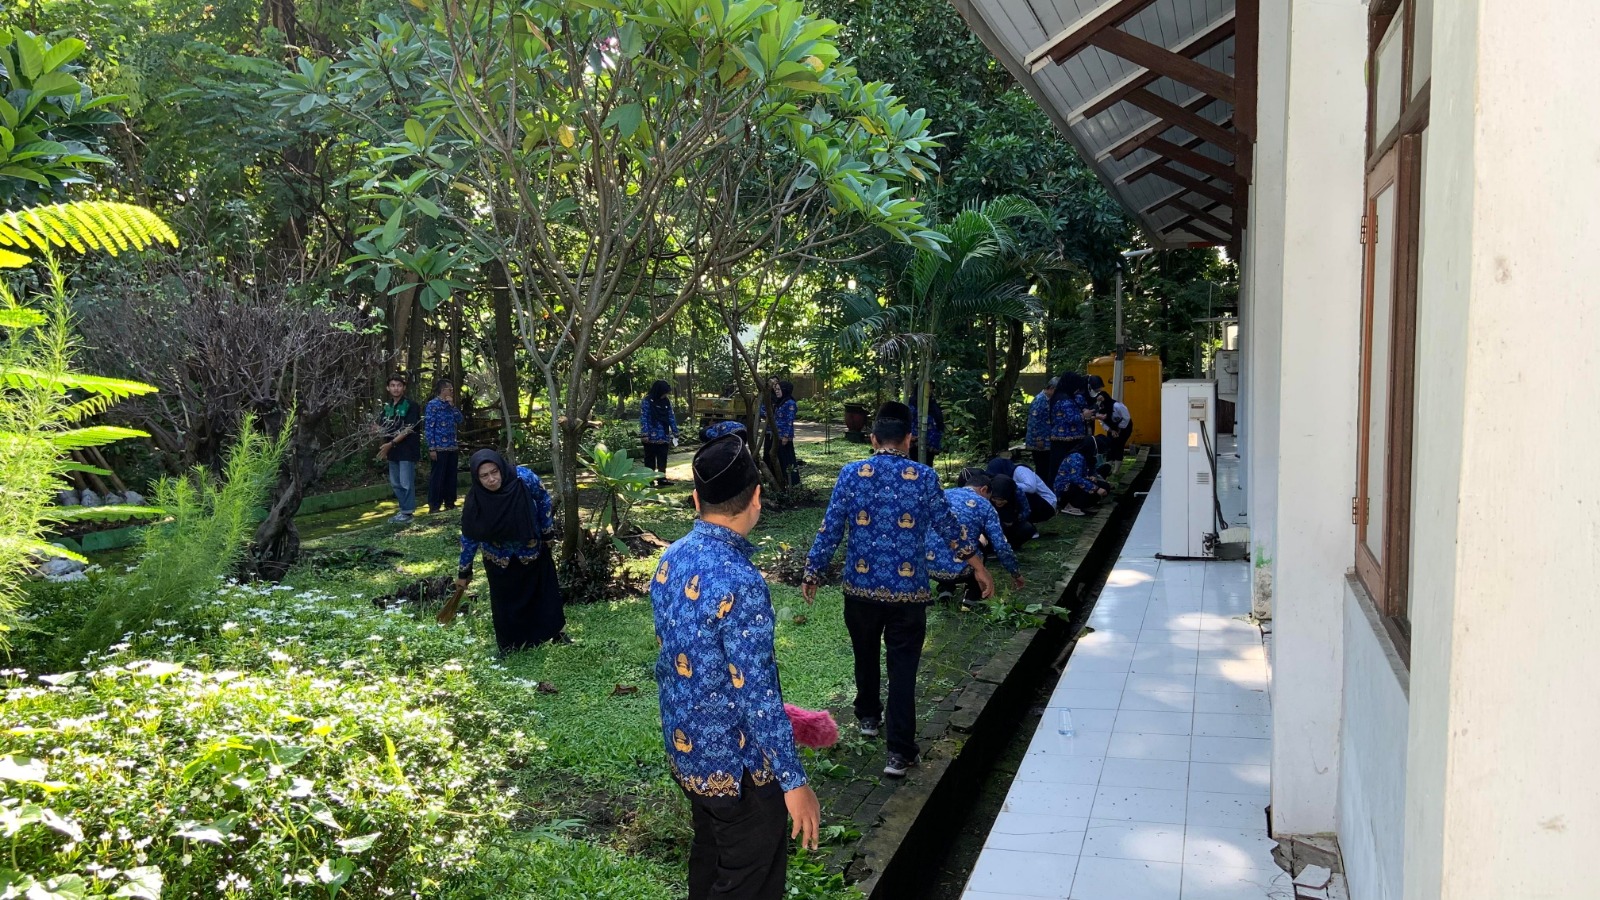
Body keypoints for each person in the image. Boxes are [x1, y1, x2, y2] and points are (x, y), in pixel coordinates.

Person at [651, 435, 820, 899]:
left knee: (710, 858)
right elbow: (757, 692)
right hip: (738, 768)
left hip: (688, 755)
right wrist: (794, 781)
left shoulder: (671, 557)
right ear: (757, 497)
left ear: (696, 499)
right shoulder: (741, 580)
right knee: (748, 880)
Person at [802, 402, 993, 777]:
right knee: (903, 672)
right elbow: (950, 528)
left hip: (860, 590)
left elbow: (831, 528)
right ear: (909, 439)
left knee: (865, 654)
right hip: (909, 594)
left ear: (873, 439)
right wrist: (978, 567)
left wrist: (813, 572)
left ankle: (868, 717)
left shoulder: (851, 474)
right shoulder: (924, 477)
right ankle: (899, 753)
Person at [454, 449, 567, 653]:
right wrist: (464, 571)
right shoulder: (476, 499)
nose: (491, 479)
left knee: (544, 592)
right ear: (476, 478)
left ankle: (556, 633)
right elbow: (469, 536)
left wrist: (547, 531)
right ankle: (510, 645)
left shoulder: (523, 478)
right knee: (505, 601)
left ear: (501, 468)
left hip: (531, 548)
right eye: (484, 476)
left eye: (494, 472)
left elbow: (543, 499)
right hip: (498, 557)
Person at [929, 469, 1023, 605]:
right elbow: (1001, 545)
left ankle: (945, 588)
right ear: (984, 489)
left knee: (942, 540)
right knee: (980, 543)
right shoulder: (984, 505)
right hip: (964, 568)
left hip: (930, 567)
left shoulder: (943, 495)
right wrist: (1015, 572)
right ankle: (972, 594)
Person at [376, 373, 422, 524]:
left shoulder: (411, 405)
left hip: (406, 450)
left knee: (405, 482)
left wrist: (391, 444)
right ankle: (403, 510)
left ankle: (407, 513)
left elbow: (408, 429)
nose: (396, 388)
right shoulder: (387, 407)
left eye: (399, 385)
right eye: (393, 385)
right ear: (388, 388)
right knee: (395, 483)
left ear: (404, 387)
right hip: (392, 451)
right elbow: (382, 427)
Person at [986, 457, 1058, 547]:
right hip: (1035, 502)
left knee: (1013, 493)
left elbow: (1031, 487)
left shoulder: (1020, 470)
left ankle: (1024, 524)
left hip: (1046, 503)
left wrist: (1009, 484)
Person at [425, 378, 465, 514]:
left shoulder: (451, 406)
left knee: (451, 476)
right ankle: (434, 505)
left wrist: (452, 406)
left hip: (452, 446)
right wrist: (432, 447)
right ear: (443, 390)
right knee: (438, 477)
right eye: (450, 389)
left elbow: (460, 420)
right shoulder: (433, 405)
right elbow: (429, 427)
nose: (452, 392)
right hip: (439, 447)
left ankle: (450, 502)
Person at [1048, 372, 1095, 482]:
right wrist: (1084, 415)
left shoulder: (1062, 396)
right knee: (1064, 466)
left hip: (1066, 439)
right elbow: (1071, 418)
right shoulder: (1064, 399)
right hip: (1066, 441)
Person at [1053, 437, 1108, 517]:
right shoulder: (1076, 457)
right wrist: (1096, 488)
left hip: (1075, 485)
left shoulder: (1085, 457)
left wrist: (1091, 477)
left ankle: (1085, 505)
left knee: (1105, 486)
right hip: (1066, 489)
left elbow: (1085, 473)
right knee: (1096, 489)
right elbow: (1075, 478)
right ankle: (1069, 506)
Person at [639, 379, 680, 487]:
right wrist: (645, 433)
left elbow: (671, 417)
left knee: (662, 458)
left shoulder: (666, 402)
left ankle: (662, 478)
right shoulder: (647, 401)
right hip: (650, 436)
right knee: (650, 459)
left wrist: (675, 431)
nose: (665, 395)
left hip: (663, 435)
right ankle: (649, 480)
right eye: (664, 393)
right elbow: (644, 418)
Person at [1024, 378, 1057, 472]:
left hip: (1046, 438)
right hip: (1039, 439)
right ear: (1051, 388)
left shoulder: (1047, 399)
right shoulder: (1040, 400)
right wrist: (1038, 438)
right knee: (1041, 466)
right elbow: (1034, 421)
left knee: (1046, 465)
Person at [906, 386, 944, 468]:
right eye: (928, 388)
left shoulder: (932, 404)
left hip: (930, 442)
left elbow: (938, 422)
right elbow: (908, 421)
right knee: (914, 466)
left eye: (931, 388)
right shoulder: (912, 404)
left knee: (927, 465)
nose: (930, 391)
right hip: (915, 442)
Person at [772, 380, 800, 487]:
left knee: (787, 459)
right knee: (780, 459)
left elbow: (789, 421)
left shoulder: (790, 403)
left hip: (784, 437)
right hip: (777, 436)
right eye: (776, 389)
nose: (776, 391)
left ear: (785, 390)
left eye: (779, 389)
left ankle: (792, 482)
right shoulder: (780, 402)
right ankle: (782, 481)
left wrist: (786, 436)